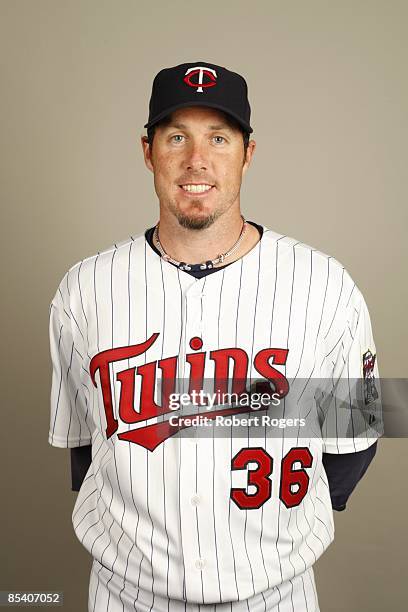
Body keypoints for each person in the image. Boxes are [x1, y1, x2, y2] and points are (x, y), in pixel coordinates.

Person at [48, 61, 382, 612]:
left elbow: (352, 447)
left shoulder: (327, 285)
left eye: (218, 138)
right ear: (148, 150)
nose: (195, 160)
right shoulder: (84, 288)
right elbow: (85, 449)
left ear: (248, 153)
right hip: (126, 597)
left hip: (274, 596)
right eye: (176, 136)